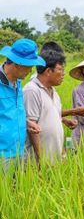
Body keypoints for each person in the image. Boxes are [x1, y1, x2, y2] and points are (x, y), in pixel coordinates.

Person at [23, 50, 84, 162]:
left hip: (54, 158)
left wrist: (63, 120)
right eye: (60, 69)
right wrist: (40, 160)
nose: (63, 74)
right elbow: (32, 127)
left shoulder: (53, 91)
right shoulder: (32, 90)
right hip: (38, 161)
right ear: (49, 71)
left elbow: (48, 115)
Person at [0, 38, 45, 171]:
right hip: (3, 155)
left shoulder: (17, 82)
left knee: (18, 190)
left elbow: (10, 113)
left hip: (19, 151)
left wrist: (26, 122)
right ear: (18, 64)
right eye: (29, 66)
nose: (31, 70)